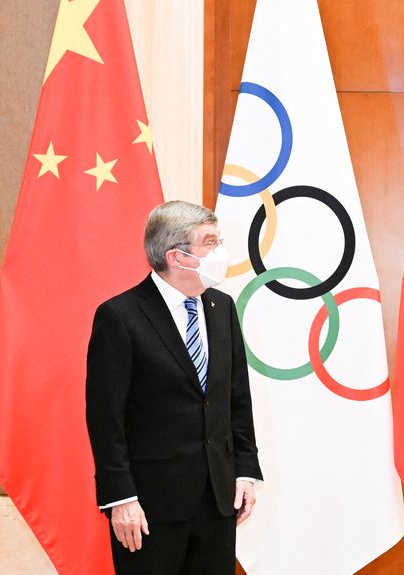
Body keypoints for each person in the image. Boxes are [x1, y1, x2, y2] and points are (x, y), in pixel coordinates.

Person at [86, 201, 262, 574]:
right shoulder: (120, 316)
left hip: (217, 498)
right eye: (210, 243)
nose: (222, 253)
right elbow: (106, 419)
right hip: (150, 506)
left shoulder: (221, 307)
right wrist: (120, 497)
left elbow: (236, 397)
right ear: (176, 256)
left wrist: (245, 470)